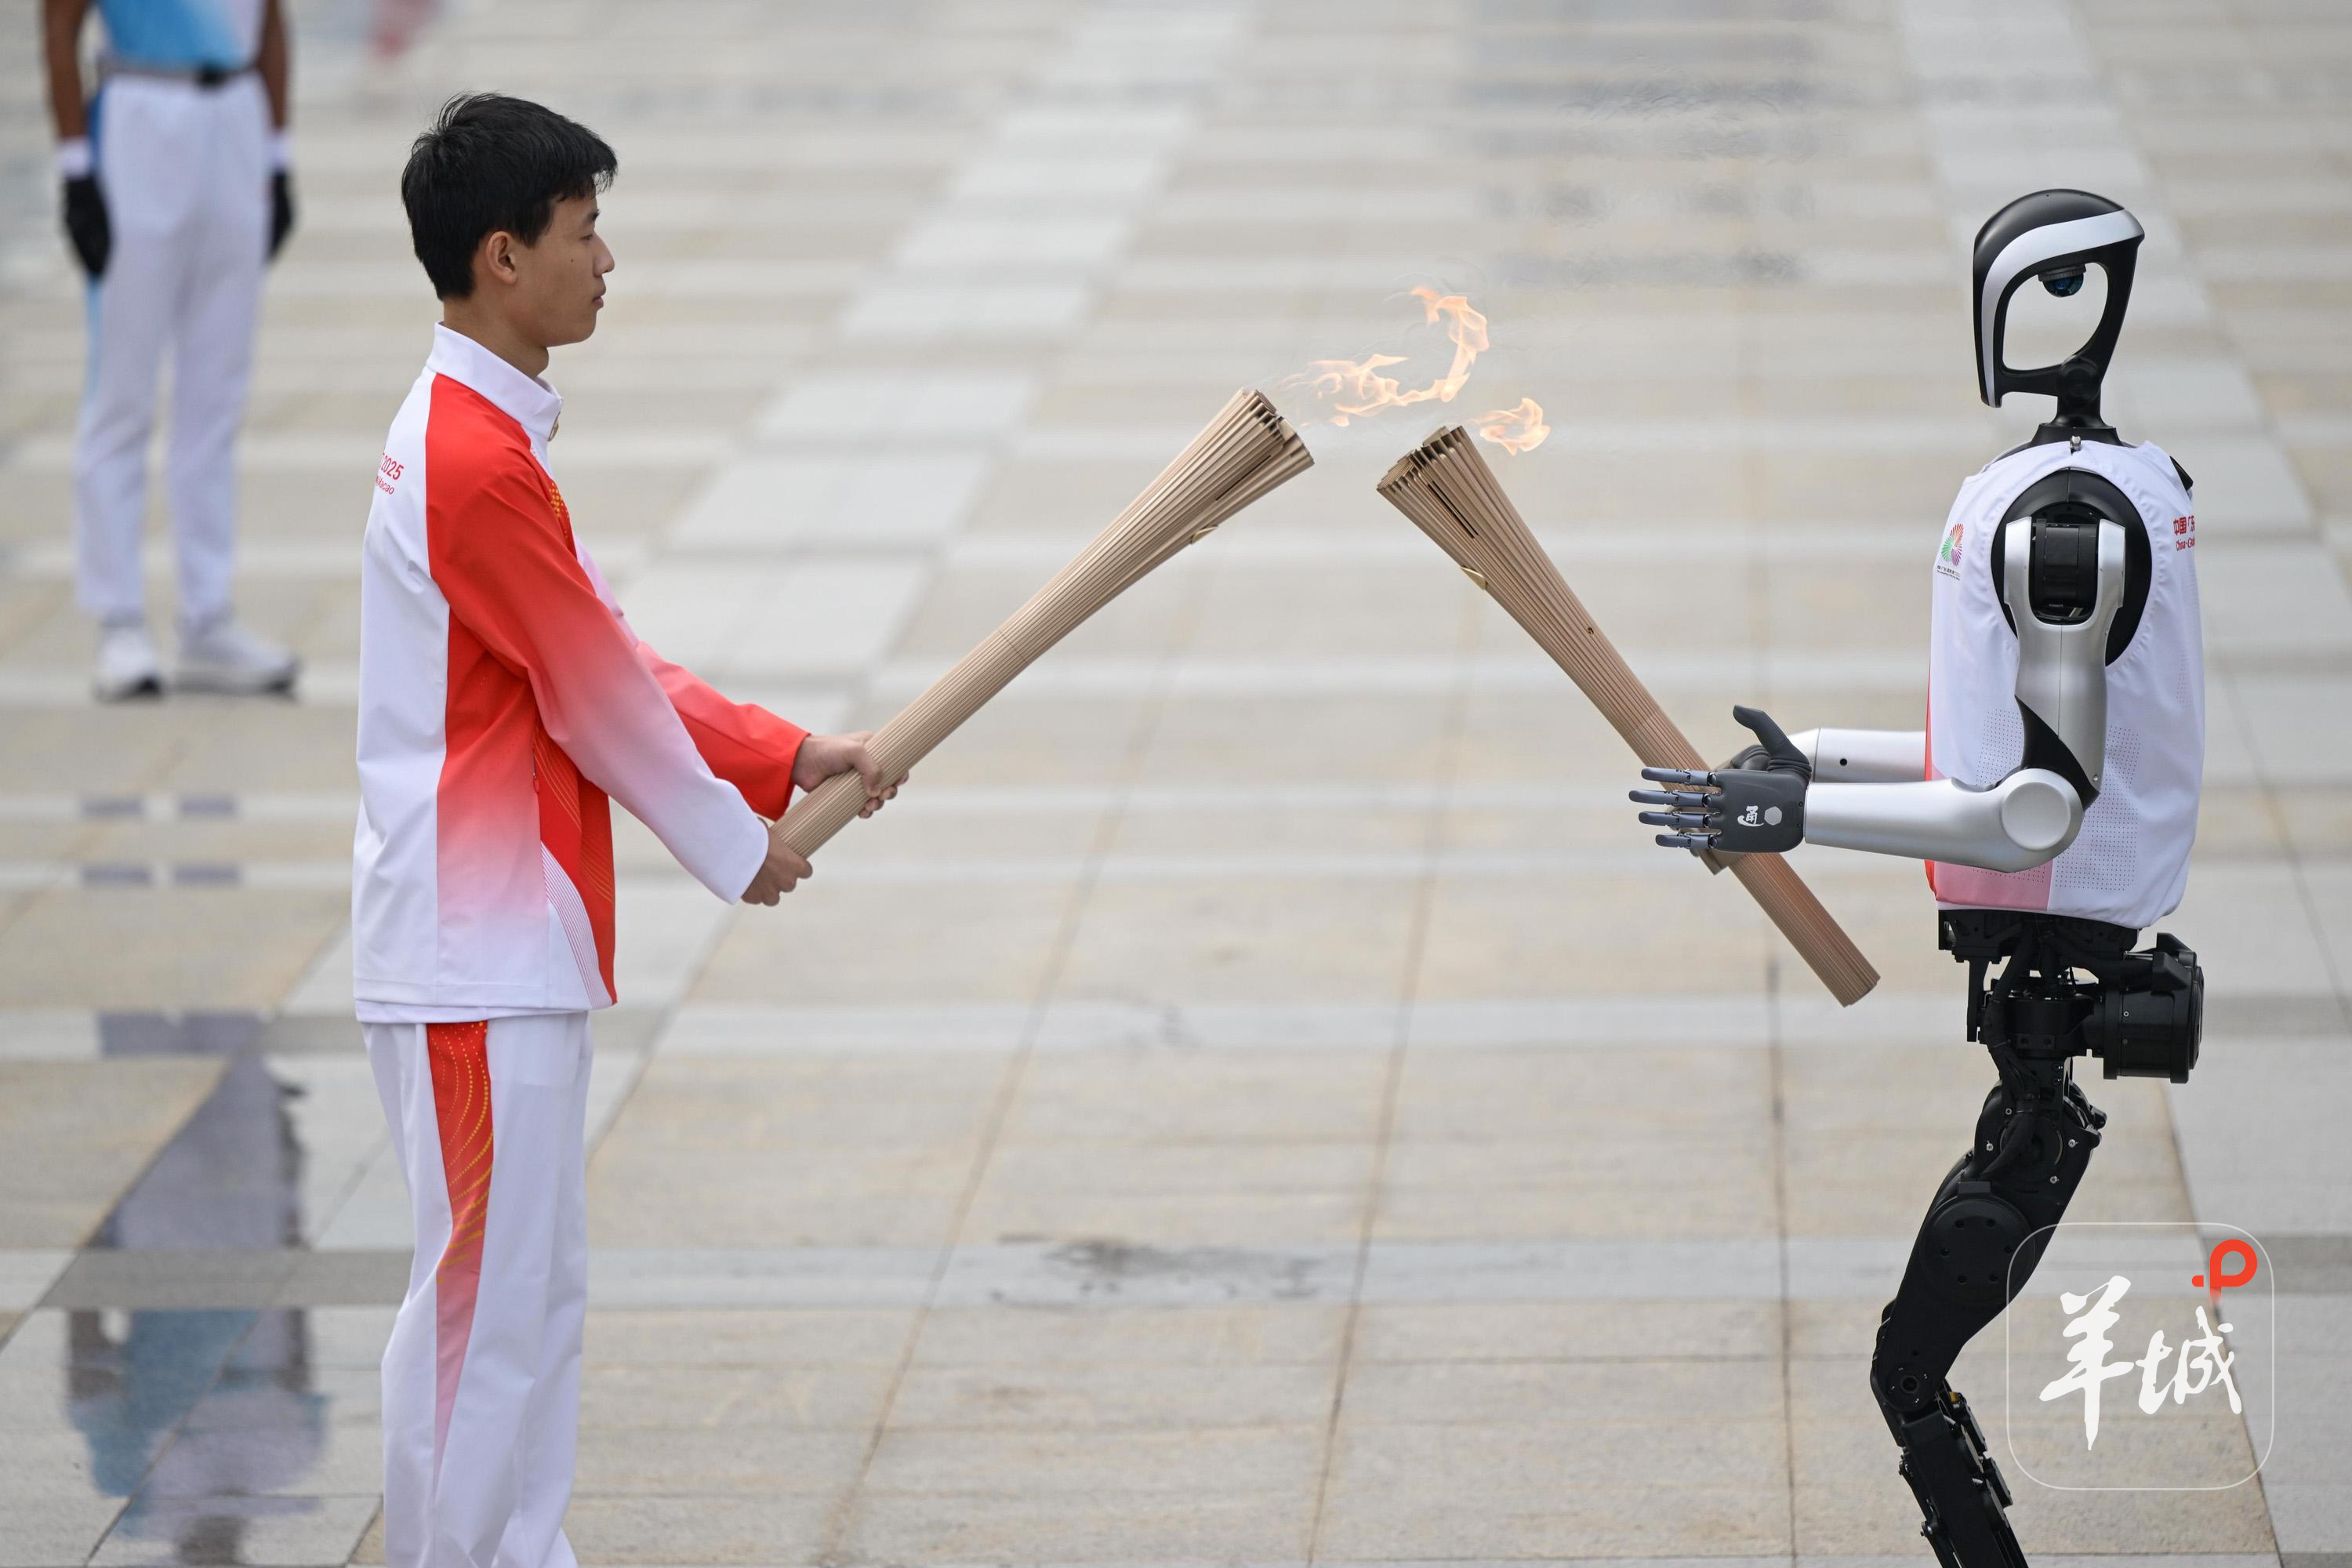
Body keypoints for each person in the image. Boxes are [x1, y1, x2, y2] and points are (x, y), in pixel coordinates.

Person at [356, 93, 902, 1568]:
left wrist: (783, 757)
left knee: (531, 1300)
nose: (607, 263)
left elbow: (605, 653)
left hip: (498, 942)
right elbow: (594, 692)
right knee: (481, 1312)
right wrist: (736, 844)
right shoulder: (471, 459)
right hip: (470, 946)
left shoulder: (485, 438)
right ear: (502, 257)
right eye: (585, 234)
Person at [39, 0, 304, 699]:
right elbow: (59, 25)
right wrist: (75, 168)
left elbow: (271, 20)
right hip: (138, 115)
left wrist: (278, 155)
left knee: (217, 389)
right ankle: (119, 620)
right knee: (122, 387)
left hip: (236, 117)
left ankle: (208, 614)